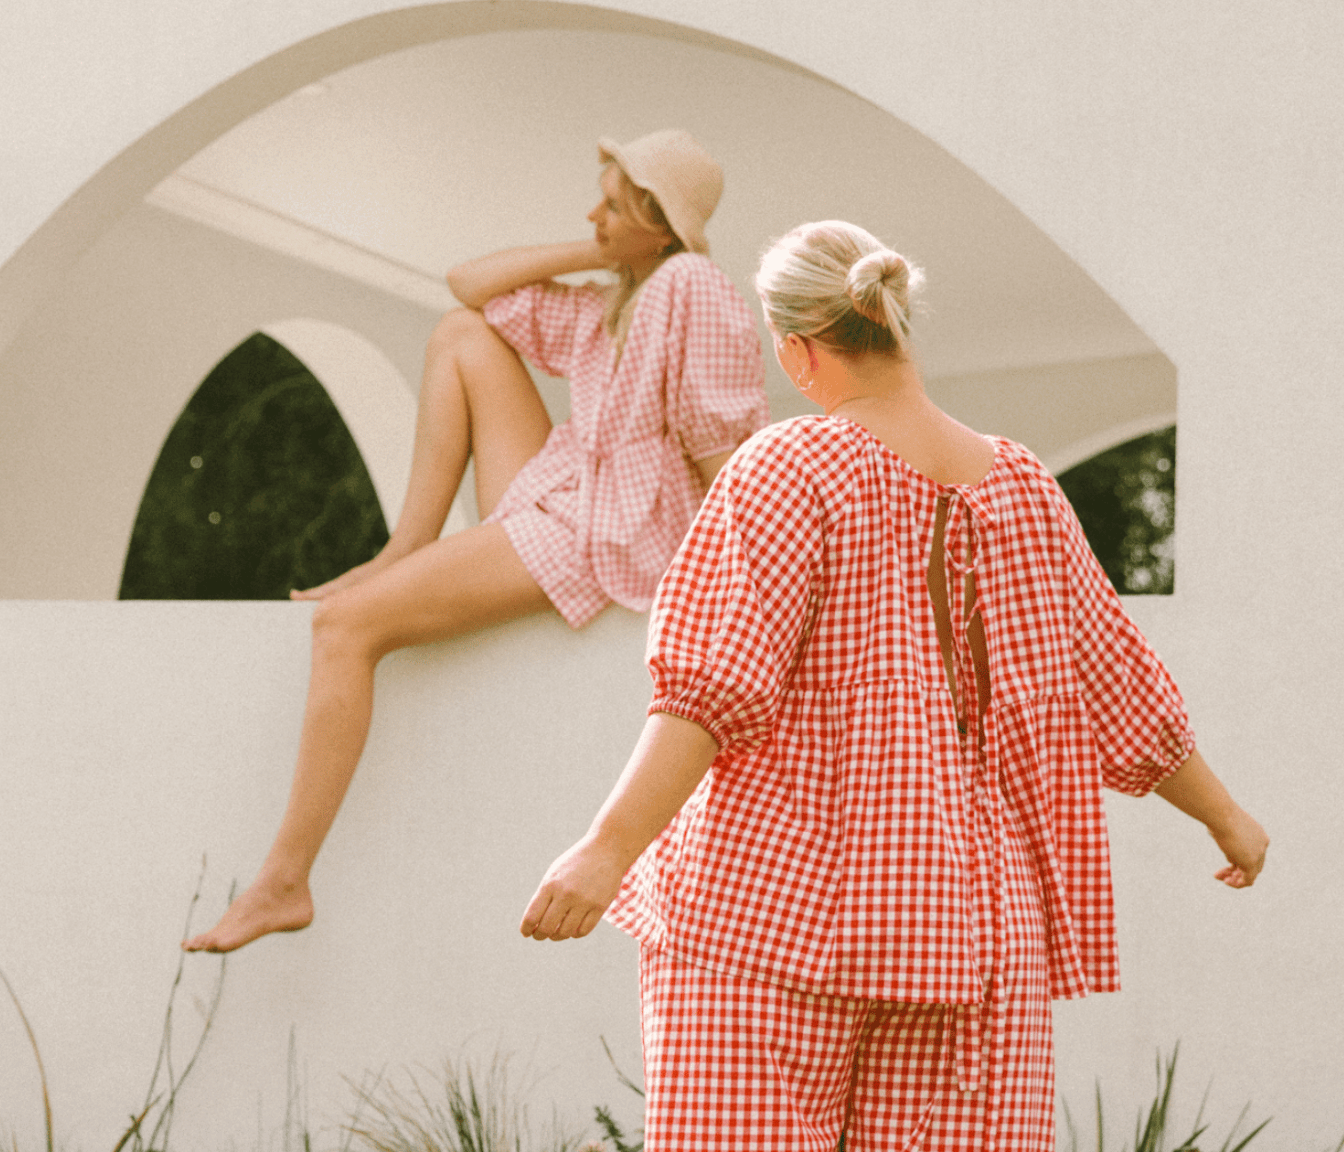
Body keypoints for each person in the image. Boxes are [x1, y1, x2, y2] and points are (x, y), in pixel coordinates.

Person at [519, 220, 1268, 1149]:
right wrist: (1225, 816)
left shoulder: (785, 465)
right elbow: (1120, 691)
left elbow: (712, 689)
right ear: (899, 325)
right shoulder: (1027, 485)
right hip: (967, 918)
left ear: (798, 351)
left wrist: (606, 847)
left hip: (771, 908)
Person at [182, 130, 769, 953]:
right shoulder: (618, 298)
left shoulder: (693, 286)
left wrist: (742, 583)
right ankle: (400, 550)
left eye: (611, 202)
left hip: (610, 526)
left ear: (659, 223)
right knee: (461, 333)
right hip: (565, 488)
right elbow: (469, 287)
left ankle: (284, 881)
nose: (590, 211)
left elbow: (724, 445)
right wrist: (606, 250)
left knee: (345, 628)